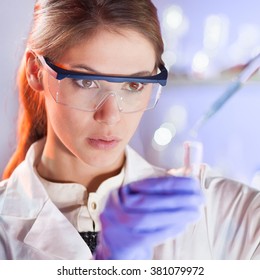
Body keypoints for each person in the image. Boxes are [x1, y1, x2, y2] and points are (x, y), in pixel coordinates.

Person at [0, 0, 259, 260]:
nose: (110, 116)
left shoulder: (219, 209)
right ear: (36, 71)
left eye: (134, 85)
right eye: (86, 81)